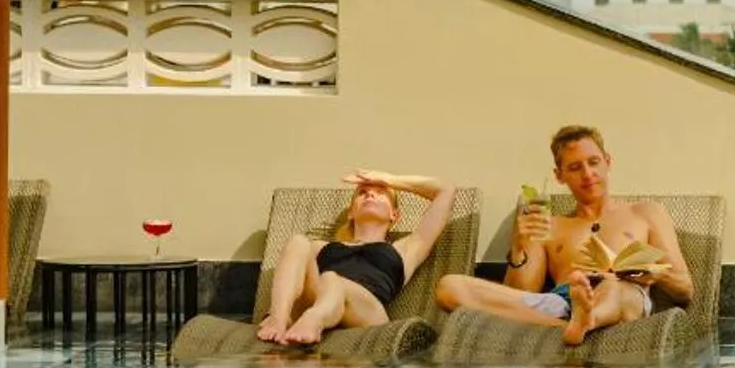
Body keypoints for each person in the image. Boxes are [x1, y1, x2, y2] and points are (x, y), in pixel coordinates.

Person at [434, 125, 694, 345]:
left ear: (608, 162)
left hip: (623, 293)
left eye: (594, 163)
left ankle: (587, 318)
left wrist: (652, 273)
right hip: (561, 301)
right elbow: (521, 294)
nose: (588, 174)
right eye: (575, 167)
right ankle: (571, 326)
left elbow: (685, 289)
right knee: (449, 287)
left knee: (612, 286)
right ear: (559, 176)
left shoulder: (646, 213)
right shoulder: (550, 225)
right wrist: (519, 246)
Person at [256, 169, 456, 347]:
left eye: (381, 193)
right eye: (362, 193)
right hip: (319, 297)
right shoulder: (321, 246)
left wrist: (388, 179)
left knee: (331, 278)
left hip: (366, 312)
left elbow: (445, 190)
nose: (370, 193)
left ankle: (314, 319)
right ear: (351, 212)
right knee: (298, 242)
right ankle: (278, 319)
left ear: (394, 215)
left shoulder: (407, 248)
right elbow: (293, 277)